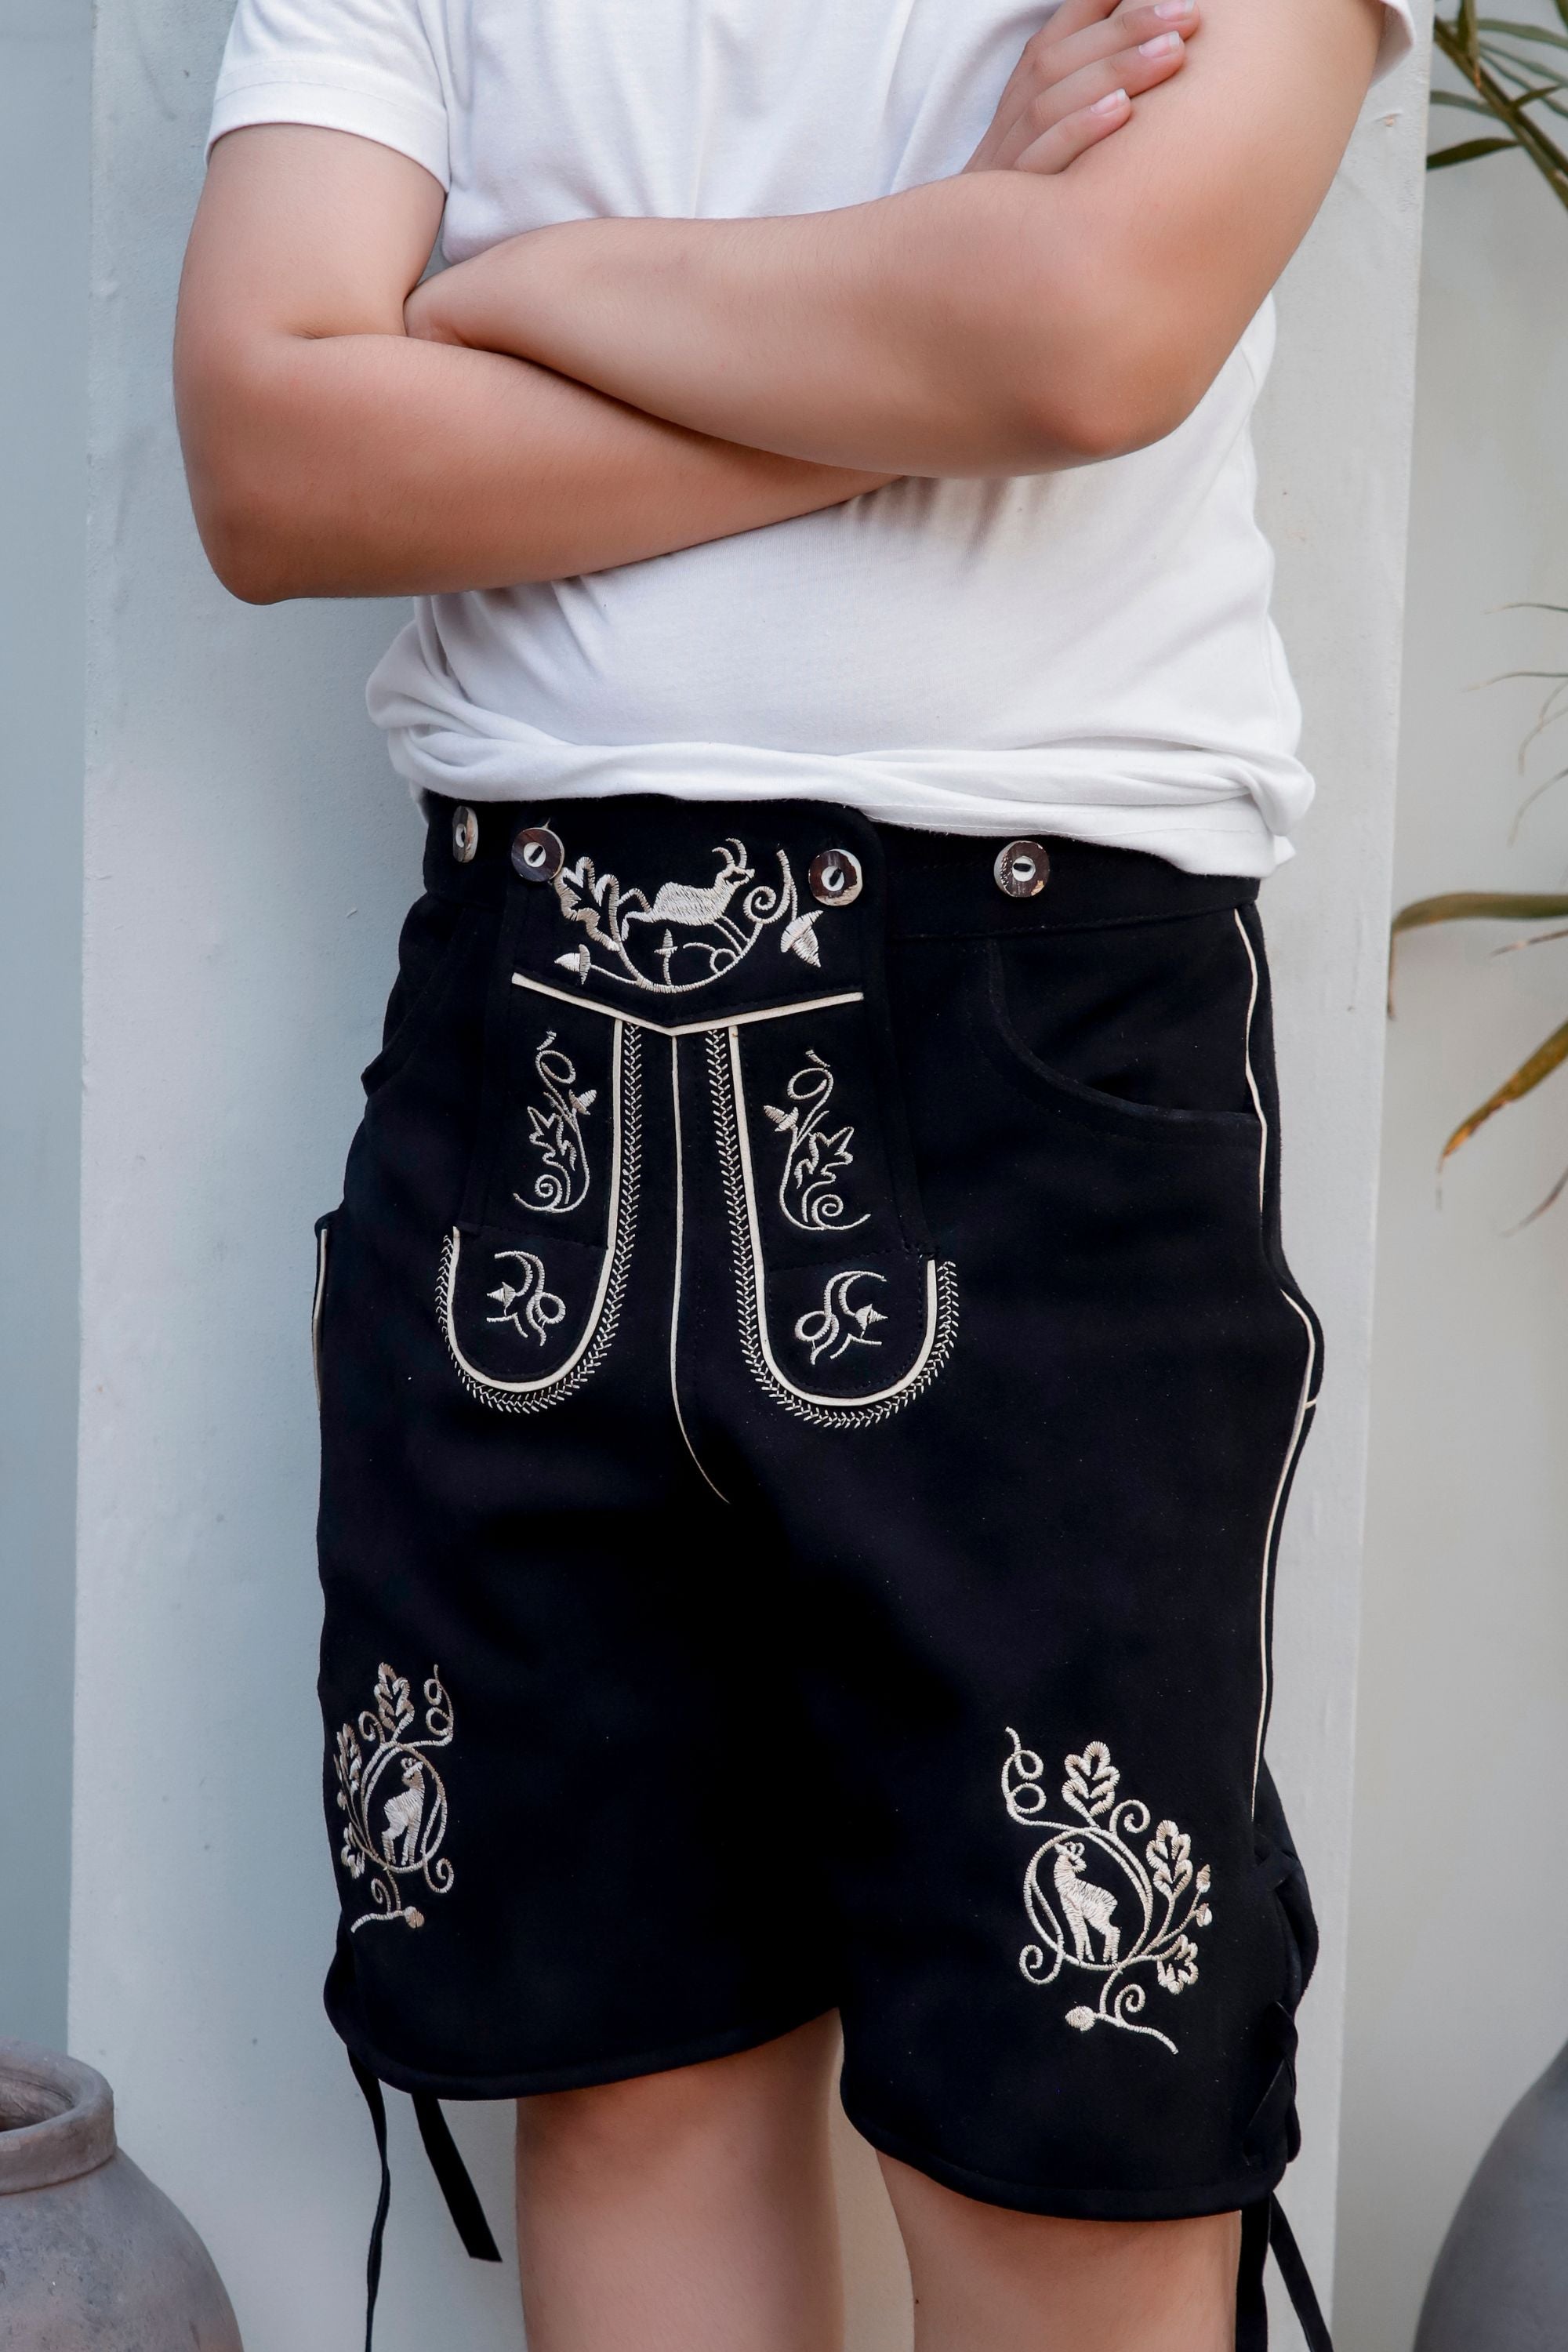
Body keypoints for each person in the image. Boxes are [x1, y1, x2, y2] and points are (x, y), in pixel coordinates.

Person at [174, 0, 1414, 2343]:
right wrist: (900, 314)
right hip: (526, 1017)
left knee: (1076, 2102)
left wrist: (508, 291)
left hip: (1032, 1032)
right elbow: (270, 455)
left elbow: (1087, 337)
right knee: (620, 2067)